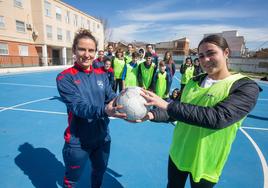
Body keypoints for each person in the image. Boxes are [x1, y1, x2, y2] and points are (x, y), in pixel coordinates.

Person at [140, 34, 260, 188]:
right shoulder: (193, 81)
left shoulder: (244, 87)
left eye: (211, 53)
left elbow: (217, 118)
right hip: (179, 152)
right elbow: (177, 110)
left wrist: (167, 105)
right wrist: (150, 114)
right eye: (201, 56)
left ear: (226, 53)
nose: (205, 60)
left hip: (206, 161)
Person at [56, 29, 126, 188]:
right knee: (71, 181)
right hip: (78, 141)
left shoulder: (101, 74)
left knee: (99, 171)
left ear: (95, 52)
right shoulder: (64, 77)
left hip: (102, 137)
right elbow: (78, 107)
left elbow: (110, 96)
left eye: (91, 50)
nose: (86, 54)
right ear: (74, 50)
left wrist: (128, 99)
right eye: (82, 49)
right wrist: (104, 110)